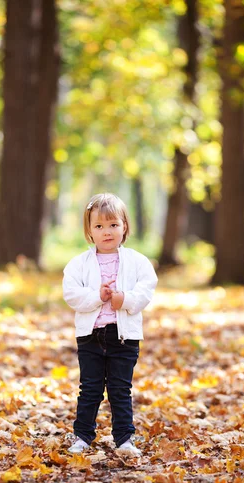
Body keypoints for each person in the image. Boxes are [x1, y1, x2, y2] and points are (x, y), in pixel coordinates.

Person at [62, 192, 158, 457]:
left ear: (124, 226)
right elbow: (71, 294)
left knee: (120, 388)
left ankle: (124, 438)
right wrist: (97, 297)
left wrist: (124, 299)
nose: (107, 232)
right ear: (89, 231)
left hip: (124, 336)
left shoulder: (137, 262)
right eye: (99, 226)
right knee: (90, 388)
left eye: (113, 225)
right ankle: (82, 436)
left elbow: (146, 289)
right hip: (91, 336)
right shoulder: (79, 264)